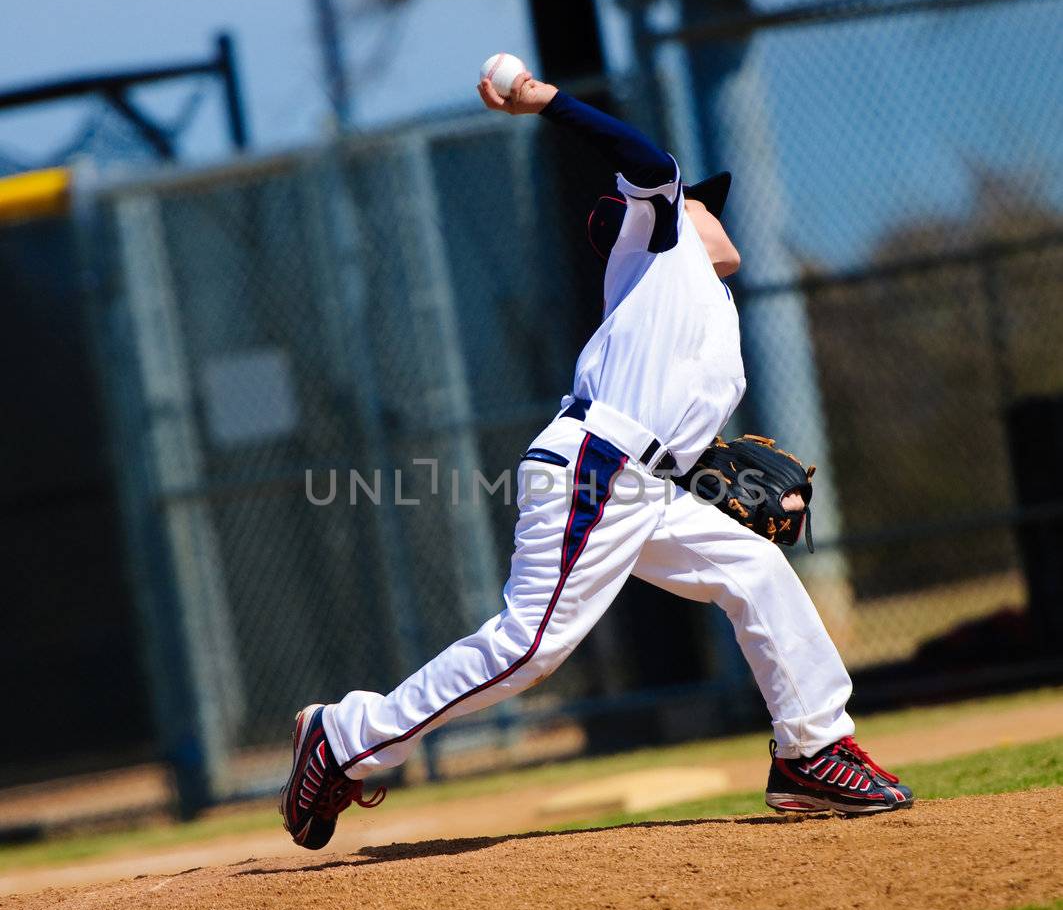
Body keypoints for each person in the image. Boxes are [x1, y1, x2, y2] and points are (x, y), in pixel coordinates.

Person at [281, 73, 913, 849]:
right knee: (528, 647)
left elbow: (672, 423)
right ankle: (345, 739)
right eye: (702, 198)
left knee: (754, 570)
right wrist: (547, 103)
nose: (711, 205)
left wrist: (708, 467)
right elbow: (646, 159)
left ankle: (811, 752)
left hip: (639, 481)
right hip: (599, 466)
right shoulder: (659, 240)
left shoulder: (700, 312)